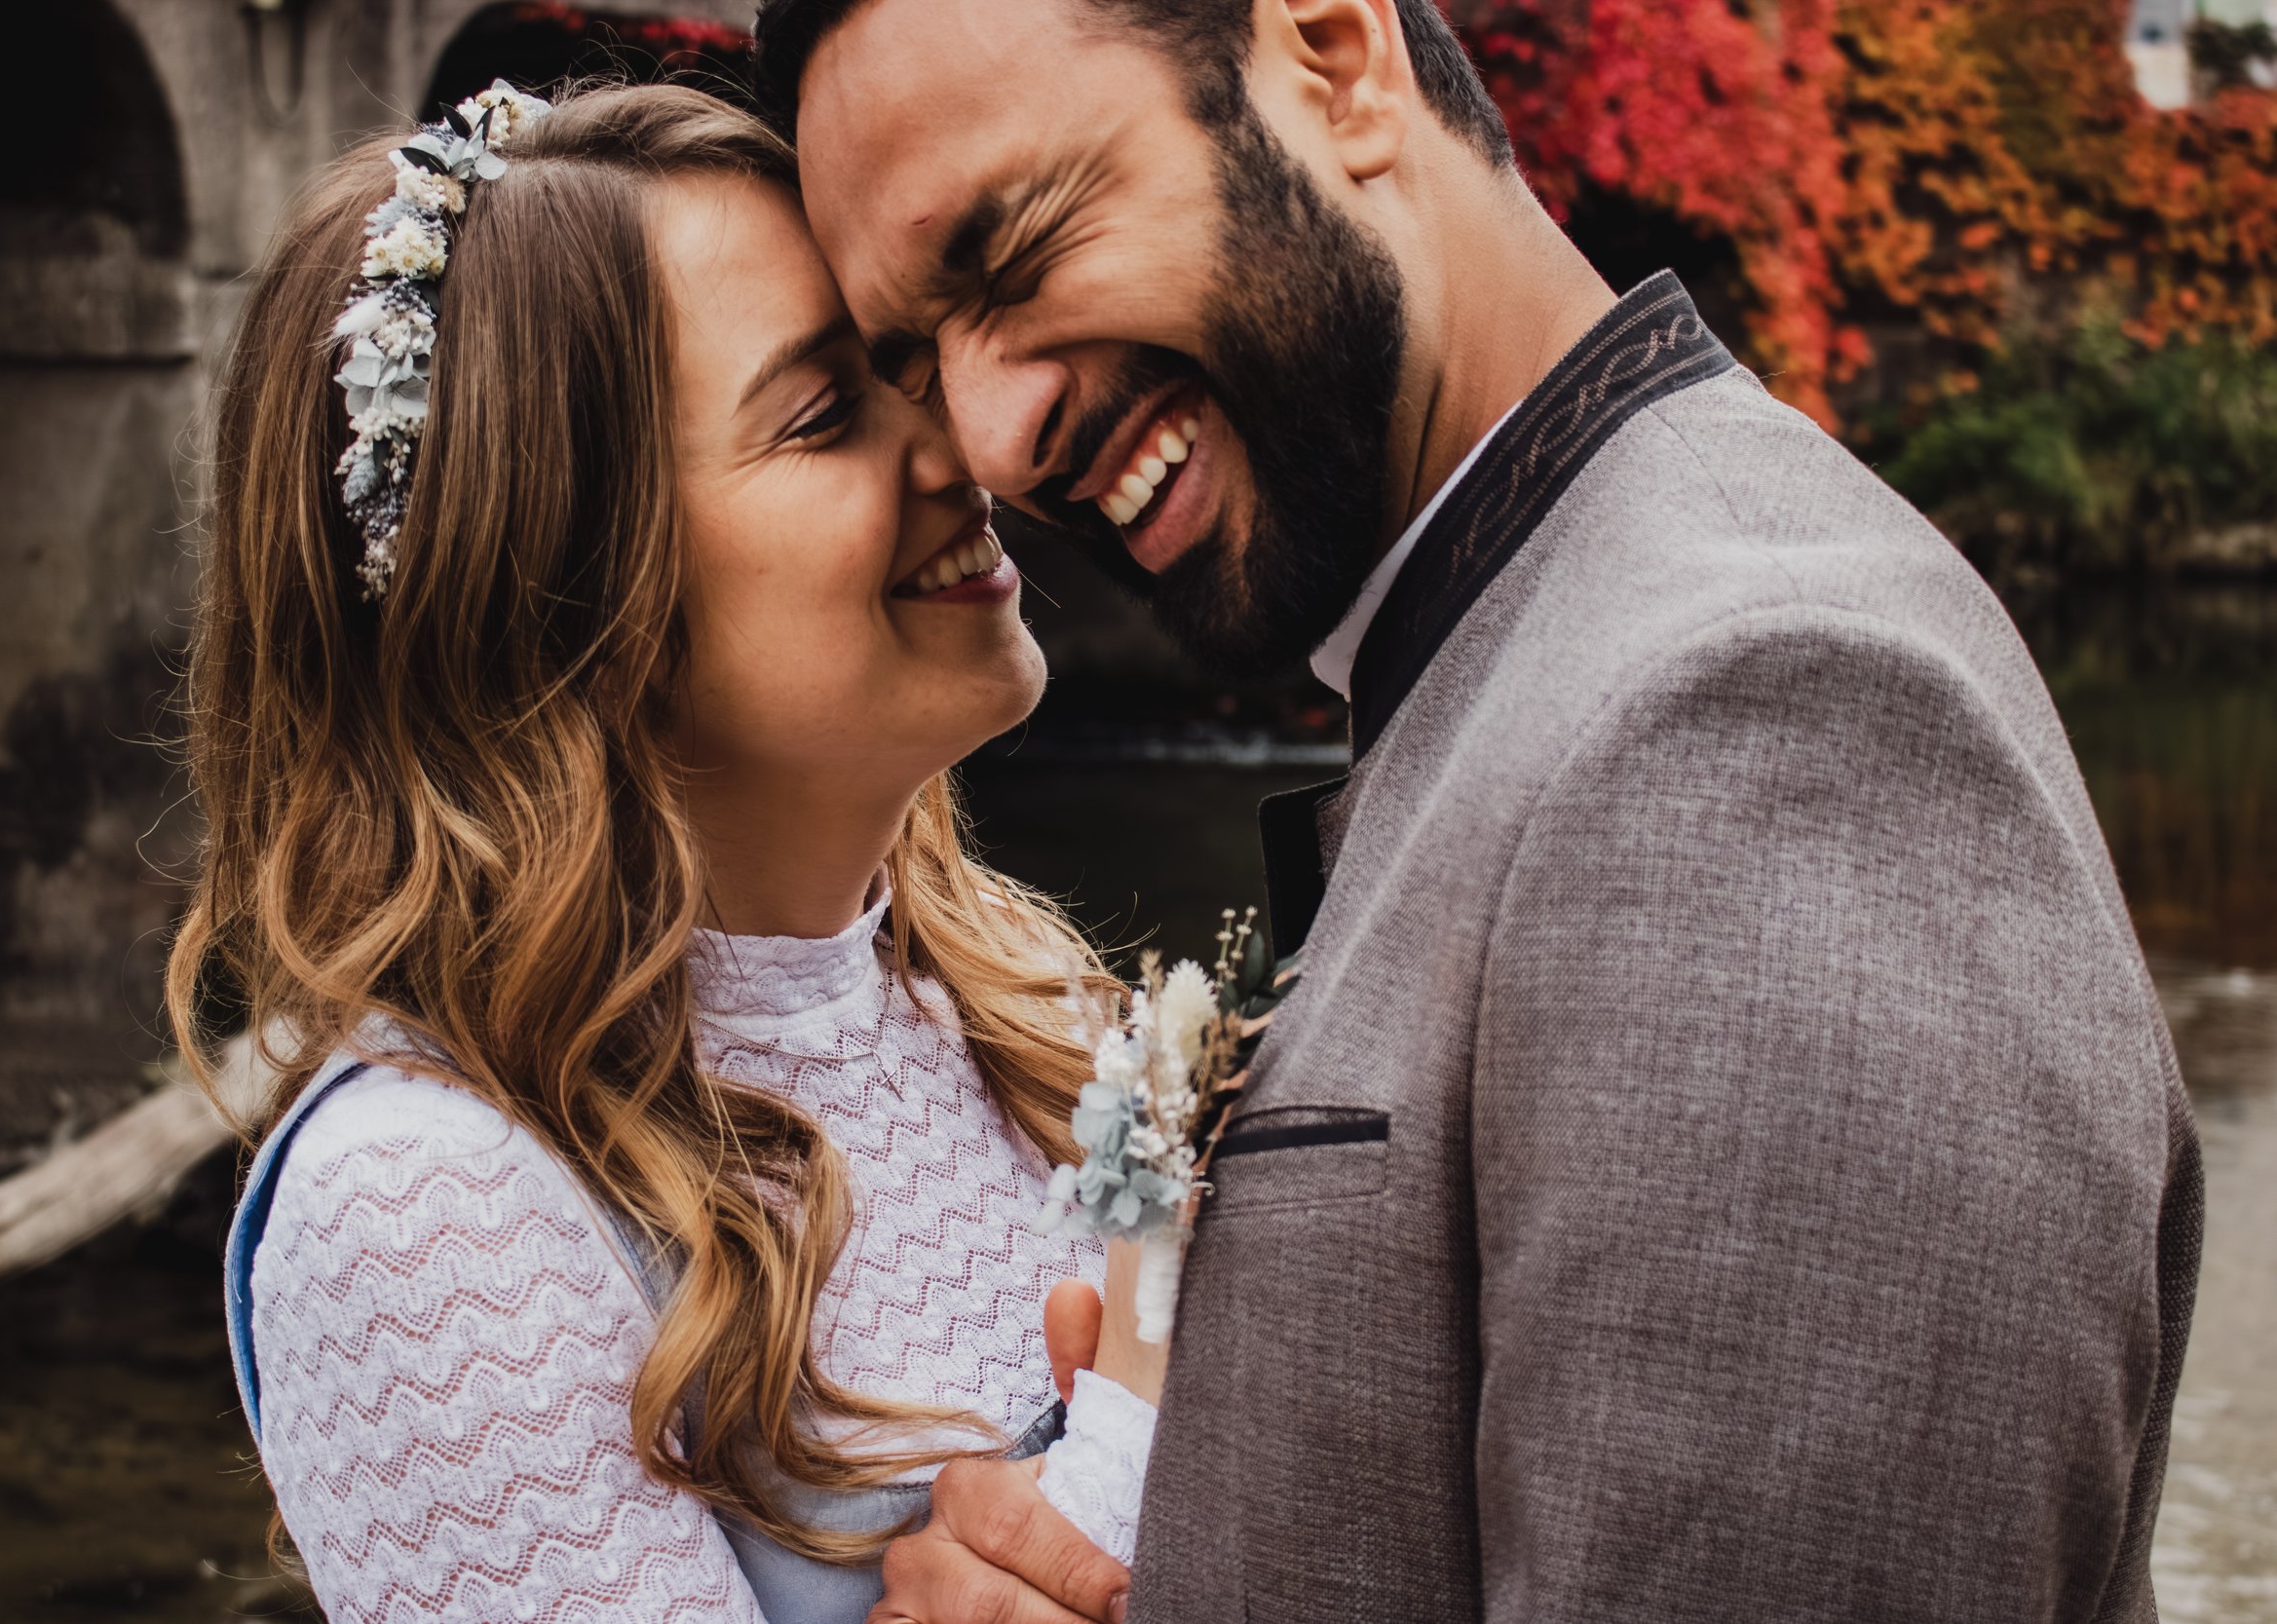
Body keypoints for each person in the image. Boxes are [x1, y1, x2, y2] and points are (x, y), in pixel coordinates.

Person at [752, 1, 2204, 1620]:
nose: (995, 436)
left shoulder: (1760, 722)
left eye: (1014, 251)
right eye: (914, 362)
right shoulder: (1517, 655)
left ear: (1332, 54)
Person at [171, 83, 1163, 1623]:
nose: (965, 435)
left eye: (907, 366)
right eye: (828, 412)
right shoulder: (425, 1212)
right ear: (564, 601)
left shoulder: (1029, 1004)